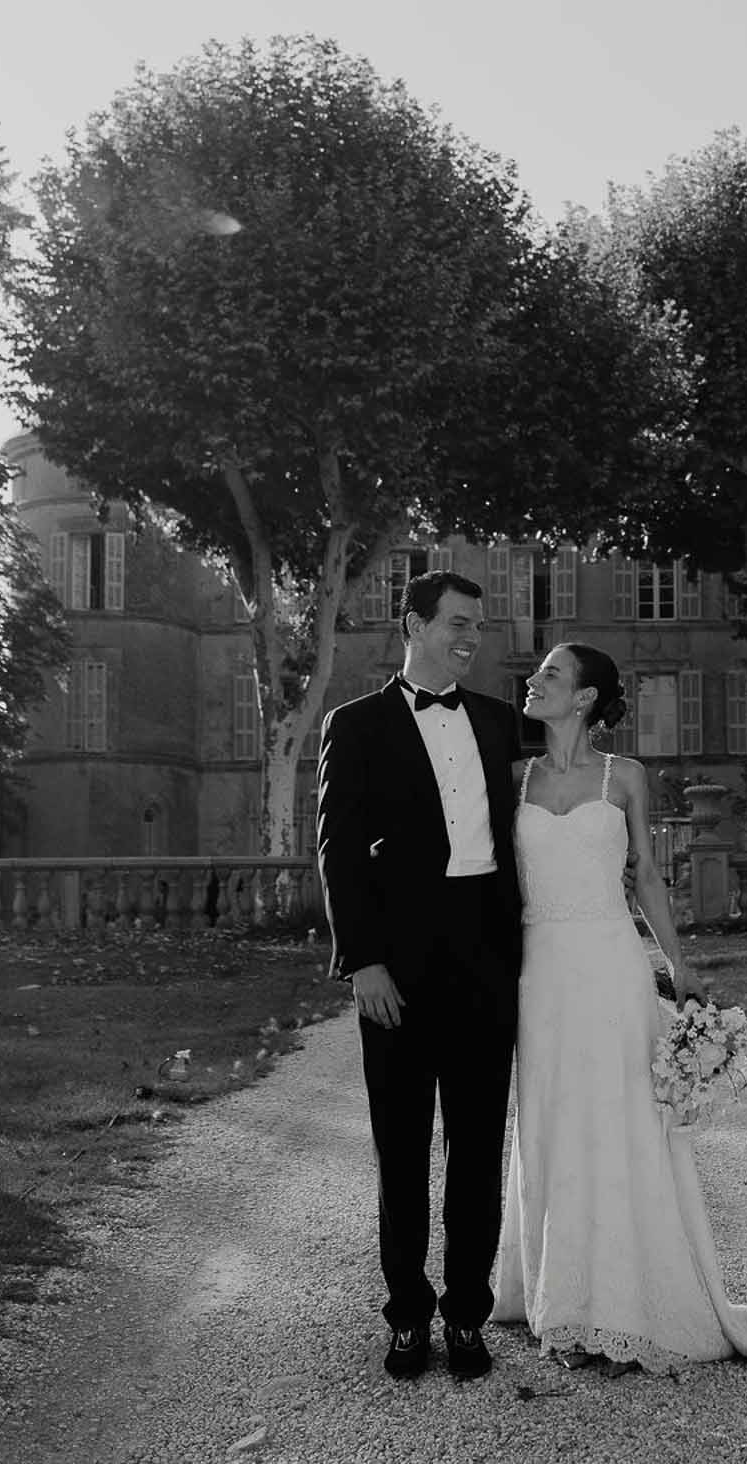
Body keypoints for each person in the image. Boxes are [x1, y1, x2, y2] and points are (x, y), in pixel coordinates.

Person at [492, 642, 747, 1376]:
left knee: (622, 1122)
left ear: (586, 698)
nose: (534, 682)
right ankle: (561, 1301)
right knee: (551, 1119)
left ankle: (627, 1304)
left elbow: (649, 882)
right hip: (538, 971)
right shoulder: (511, 779)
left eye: (551, 675)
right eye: (537, 673)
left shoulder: (625, 777)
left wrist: (678, 965)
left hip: (610, 963)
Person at [316, 571, 522, 1383]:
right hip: (394, 969)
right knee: (399, 1151)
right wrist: (361, 959)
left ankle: (466, 1316)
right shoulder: (355, 725)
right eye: (457, 624)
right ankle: (406, 1317)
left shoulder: (503, 723)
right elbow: (336, 850)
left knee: (476, 1151)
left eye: (478, 626)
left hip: (484, 960)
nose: (471, 638)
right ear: (413, 624)